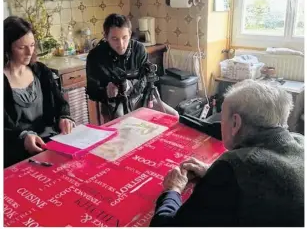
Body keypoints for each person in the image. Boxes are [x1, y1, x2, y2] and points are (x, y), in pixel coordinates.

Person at [150, 79, 304, 227]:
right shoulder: (300, 141)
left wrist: (173, 189)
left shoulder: (235, 165)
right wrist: (212, 171)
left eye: (222, 119)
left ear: (235, 123)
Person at [4, 16, 75, 168]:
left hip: (51, 143)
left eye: (32, 45)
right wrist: (22, 137)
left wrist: (64, 117)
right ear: (6, 48)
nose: (30, 52)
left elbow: (60, 103)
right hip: (17, 154)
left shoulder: (41, 71)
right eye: (21, 47)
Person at [86, 13, 178, 120]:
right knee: (124, 127)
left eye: (124, 38)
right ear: (106, 37)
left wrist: (133, 85)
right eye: (115, 39)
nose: (121, 44)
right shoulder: (96, 56)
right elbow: (92, 91)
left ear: (130, 34)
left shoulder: (139, 49)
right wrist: (106, 91)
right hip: (114, 104)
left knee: (174, 116)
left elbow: (146, 77)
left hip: (140, 97)